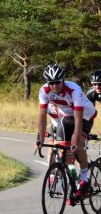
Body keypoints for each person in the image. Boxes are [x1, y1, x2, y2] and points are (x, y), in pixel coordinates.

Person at [36, 63, 97, 197]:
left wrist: (76, 138)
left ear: (63, 80)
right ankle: (67, 173)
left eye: (57, 82)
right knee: (62, 147)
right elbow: (41, 117)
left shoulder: (74, 89)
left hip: (85, 115)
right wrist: (39, 139)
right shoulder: (44, 91)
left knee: (77, 144)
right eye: (51, 83)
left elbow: (79, 118)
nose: (54, 86)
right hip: (66, 118)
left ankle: (85, 179)